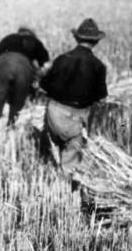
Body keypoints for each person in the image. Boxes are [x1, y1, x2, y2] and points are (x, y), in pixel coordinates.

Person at [40, 18, 108, 178]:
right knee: (70, 156)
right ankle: (64, 186)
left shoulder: (62, 59)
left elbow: (44, 85)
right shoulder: (98, 66)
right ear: (96, 42)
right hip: (76, 117)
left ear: (77, 38)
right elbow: (101, 97)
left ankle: (48, 173)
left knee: (51, 147)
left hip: (54, 113)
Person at [0, 27, 49, 131]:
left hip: (4, 65)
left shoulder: (9, 38)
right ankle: (12, 127)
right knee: (18, 101)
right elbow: (45, 66)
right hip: (24, 68)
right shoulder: (35, 41)